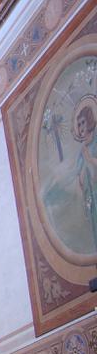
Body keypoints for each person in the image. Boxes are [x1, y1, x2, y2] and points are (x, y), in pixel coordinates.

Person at [76, 104, 97, 247]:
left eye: (83, 122)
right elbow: (80, 178)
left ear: (90, 120)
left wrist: (89, 159)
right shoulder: (80, 153)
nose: (81, 127)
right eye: (78, 124)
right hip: (90, 196)